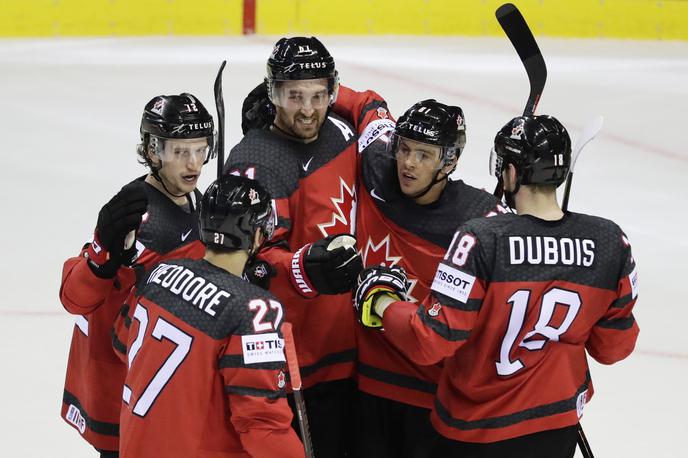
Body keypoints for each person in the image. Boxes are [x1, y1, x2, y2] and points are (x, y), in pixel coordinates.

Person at [353, 114, 639, 458]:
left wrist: (380, 299)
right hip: (556, 425)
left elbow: (429, 340)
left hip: (476, 431)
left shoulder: (482, 238)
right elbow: (613, 348)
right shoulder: (610, 241)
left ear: (512, 173)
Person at [336, 97, 505, 458]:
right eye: (405, 148)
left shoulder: (480, 221)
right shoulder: (377, 164)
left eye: (424, 155)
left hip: (433, 395)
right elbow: (367, 106)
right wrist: (310, 90)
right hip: (367, 382)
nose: (409, 163)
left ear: (450, 160)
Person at [225, 36, 363, 457]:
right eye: (294, 95)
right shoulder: (255, 161)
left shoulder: (342, 134)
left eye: (319, 95)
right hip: (291, 355)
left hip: (351, 345)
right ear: (273, 93)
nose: (307, 109)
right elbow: (247, 262)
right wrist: (303, 267)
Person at [59, 93, 215, 456]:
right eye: (180, 152)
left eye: (200, 149)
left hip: (156, 378)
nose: (194, 163)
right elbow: (77, 300)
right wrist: (103, 256)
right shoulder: (136, 216)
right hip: (125, 385)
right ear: (154, 150)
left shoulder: (197, 201)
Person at [116, 175, 304, 458]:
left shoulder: (159, 273)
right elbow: (262, 426)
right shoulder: (254, 309)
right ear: (255, 236)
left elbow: (122, 344)